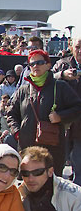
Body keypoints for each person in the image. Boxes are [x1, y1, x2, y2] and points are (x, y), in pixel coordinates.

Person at [7, 49, 81, 175]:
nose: (35, 66)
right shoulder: (23, 91)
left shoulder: (60, 86)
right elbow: (10, 114)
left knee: (52, 186)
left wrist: (60, 117)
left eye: (40, 62)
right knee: (29, 185)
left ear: (48, 65)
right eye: (32, 64)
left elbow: (78, 108)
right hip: (27, 147)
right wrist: (17, 133)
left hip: (53, 148)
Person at [51, 37, 81, 185]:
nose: (80, 51)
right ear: (71, 47)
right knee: (57, 165)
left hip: (79, 126)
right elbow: (47, 79)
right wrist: (62, 75)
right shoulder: (62, 64)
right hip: (61, 123)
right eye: (78, 47)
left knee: (79, 168)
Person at [18, 146, 81, 210]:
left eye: (37, 172)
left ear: (50, 172)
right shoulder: (16, 195)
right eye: (25, 173)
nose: (30, 179)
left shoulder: (75, 196)